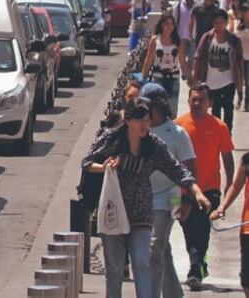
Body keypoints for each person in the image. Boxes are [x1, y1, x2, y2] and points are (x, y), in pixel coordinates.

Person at [83, 99, 210, 298]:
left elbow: (176, 169)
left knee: (142, 262)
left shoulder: (153, 145)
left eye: (147, 121)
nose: (144, 125)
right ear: (128, 120)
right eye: (140, 120)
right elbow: (87, 162)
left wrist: (197, 192)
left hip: (141, 211)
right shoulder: (111, 139)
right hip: (113, 210)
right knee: (115, 269)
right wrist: (104, 168)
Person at [176, 84, 237, 289]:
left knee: (202, 228)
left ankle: (195, 268)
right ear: (188, 101)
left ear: (210, 102)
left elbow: (227, 156)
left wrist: (229, 183)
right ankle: (199, 262)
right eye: (194, 99)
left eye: (201, 100)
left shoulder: (219, 126)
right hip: (183, 189)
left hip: (210, 188)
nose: (197, 103)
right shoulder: (179, 126)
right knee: (187, 227)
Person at [142, 83, 196, 298]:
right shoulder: (140, 129)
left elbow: (190, 168)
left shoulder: (177, 133)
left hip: (171, 197)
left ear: (158, 106)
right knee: (162, 248)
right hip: (143, 197)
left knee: (154, 247)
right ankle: (174, 294)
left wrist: (187, 200)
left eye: (148, 106)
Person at [192, 9, 244, 130]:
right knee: (215, 109)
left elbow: (239, 64)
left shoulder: (233, 40)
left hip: (228, 81)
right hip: (212, 82)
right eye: (216, 22)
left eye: (221, 22)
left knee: (228, 108)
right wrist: (195, 77)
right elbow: (197, 57)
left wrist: (240, 89)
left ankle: (227, 135)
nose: (218, 25)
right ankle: (217, 134)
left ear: (226, 23)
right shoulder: (207, 38)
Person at [209, 151, 249, 298]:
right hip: (247, 228)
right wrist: (221, 208)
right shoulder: (247, 160)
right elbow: (236, 186)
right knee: (246, 279)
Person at [142, 15, 189, 116]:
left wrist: (188, 76)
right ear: (162, 25)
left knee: (172, 107)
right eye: (167, 24)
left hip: (173, 77)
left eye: (172, 24)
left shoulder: (177, 41)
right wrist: (143, 78)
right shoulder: (155, 40)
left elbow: (182, 61)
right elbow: (148, 60)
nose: (169, 27)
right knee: (157, 107)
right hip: (158, 76)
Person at [174, 0, 199, 75]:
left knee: (191, 57)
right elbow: (175, 19)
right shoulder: (178, 6)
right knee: (182, 57)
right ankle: (185, 73)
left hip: (193, 36)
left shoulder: (197, 6)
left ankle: (188, 71)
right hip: (181, 35)